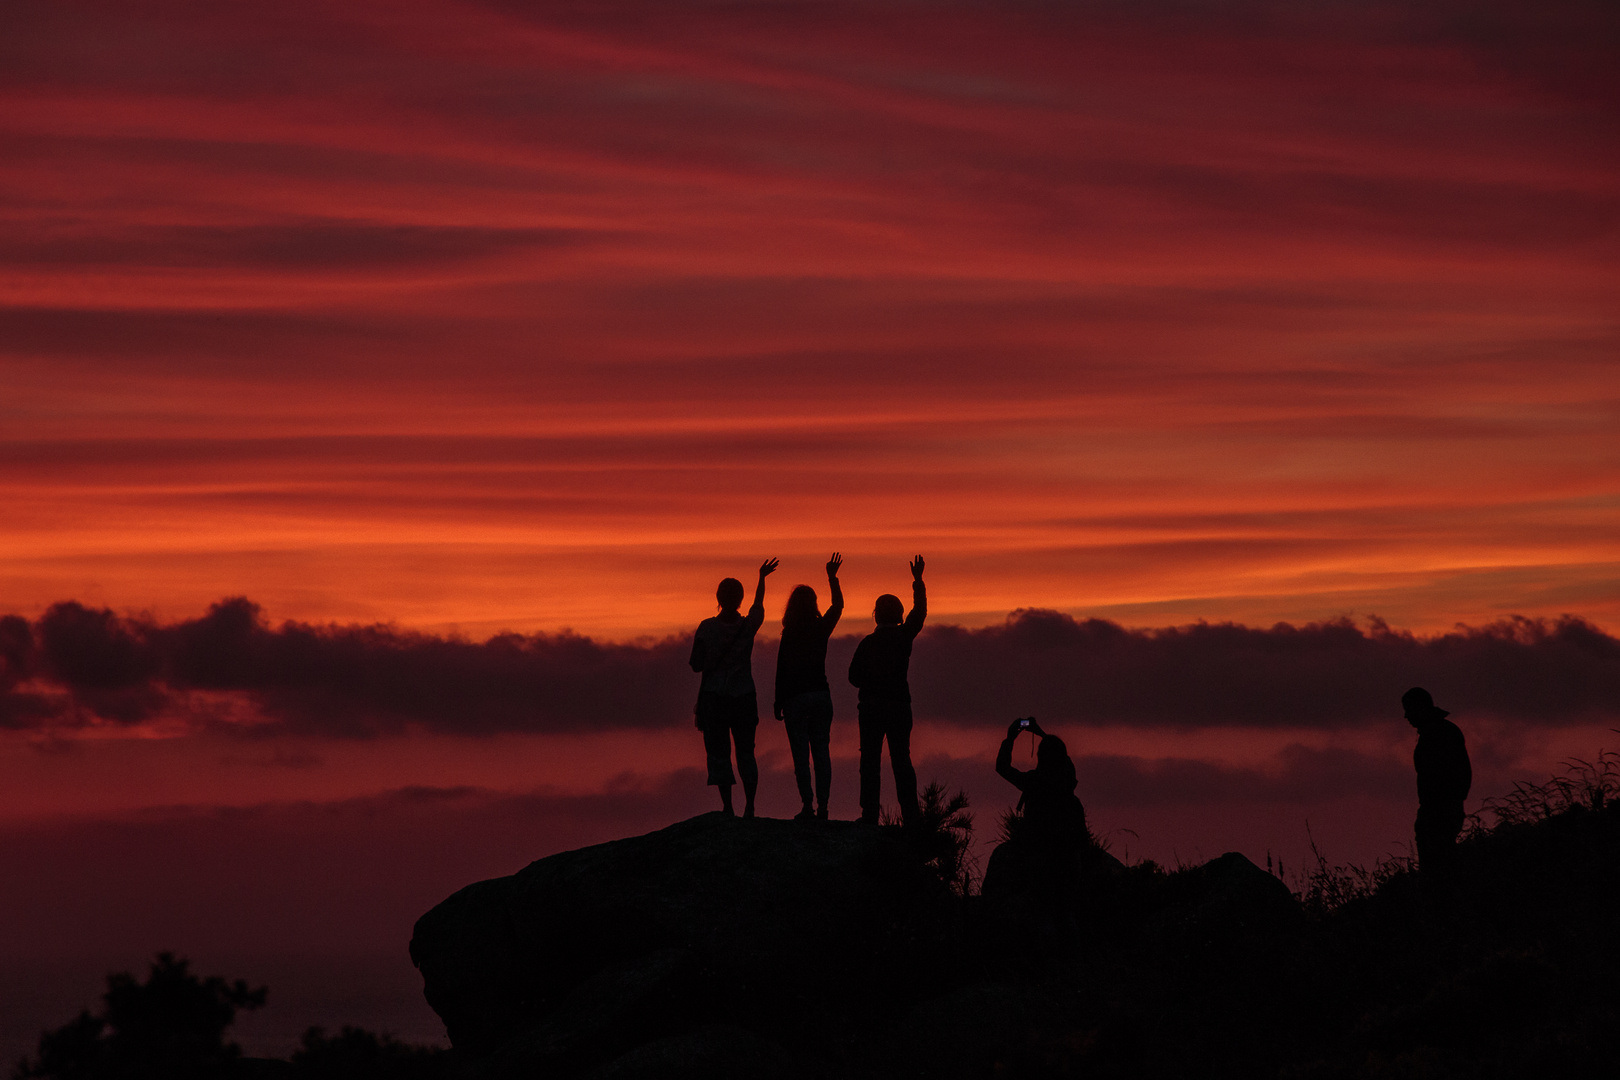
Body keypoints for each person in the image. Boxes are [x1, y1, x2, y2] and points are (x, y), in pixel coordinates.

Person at [690, 558, 778, 817]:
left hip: (714, 699)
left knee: (719, 753)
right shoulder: (747, 626)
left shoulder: (707, 628)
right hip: (743, 697)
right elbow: (759, 606)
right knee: (746, 752)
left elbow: (696, 665)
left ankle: (727, 807)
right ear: (740, 599)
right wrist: (761, 578)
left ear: (718, 597)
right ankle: (750, 806)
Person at [848, 555, 926, 825]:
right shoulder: (904, 637)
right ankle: (911, 816)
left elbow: (853, 677)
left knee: (869, 761)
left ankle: (869, 814)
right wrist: (918, 581)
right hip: (899, 707)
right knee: (902, 760)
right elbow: (920, 614)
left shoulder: (867, 643)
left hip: (870, 708)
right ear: (899, 615)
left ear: (876, 614)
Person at [774, 554, 845, 821]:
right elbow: (837, 606)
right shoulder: (820, 628)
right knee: (822, 754)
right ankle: (824, 808)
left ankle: (807, 806)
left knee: (801, 757)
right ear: (813, 604)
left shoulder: (790, 633)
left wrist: (777, 701)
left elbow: (782, 669)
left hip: (796, 698)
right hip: (821, 695)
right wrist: (832, 578)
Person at [1403, 686, 1471, 872]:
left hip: (1440, 811)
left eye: (1408, 710)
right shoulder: (1440, 732)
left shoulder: (1439, 734)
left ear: (1420, 708)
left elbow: (1453, 774)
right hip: (1439, 809)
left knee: (1438, 867)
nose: (1406, 716)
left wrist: (1440, 805)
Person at [995, 717, 1088, 850]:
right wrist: (1042, 735)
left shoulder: (1034, 782)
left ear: (1040, 757)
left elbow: (1002, 767)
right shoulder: (1067, 788)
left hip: (1036, 852)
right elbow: (1065, 763)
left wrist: (1010, 738)